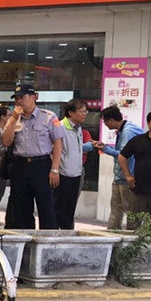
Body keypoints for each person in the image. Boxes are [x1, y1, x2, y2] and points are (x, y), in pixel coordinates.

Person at [1, 83, 65, 229]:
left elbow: (58, 143)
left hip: (41, 164)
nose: (19, 101)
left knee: (46, 206)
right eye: (16, 98)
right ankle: (25, 242)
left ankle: (48, 242)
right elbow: (6, 141)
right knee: (21, 207)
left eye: (22, 97)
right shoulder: (13, 119)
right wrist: (13, 119)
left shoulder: (48, 117)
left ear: (33, 97)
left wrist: (55, 168)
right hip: (20, 165)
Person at [100, 105, 144, 230]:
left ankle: (132, 240)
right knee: (116, 209)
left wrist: (105, 149)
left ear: (112, 120)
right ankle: (112, 237)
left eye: (105, 121)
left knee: (131, 211)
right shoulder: (123, 130)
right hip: (120, 177)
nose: (105, 124)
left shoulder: (128, 131)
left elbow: (124, 155)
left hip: (128, 177)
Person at [54, 98, 94, 230]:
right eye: (81, 111)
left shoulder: (79, 128)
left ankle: (67, 233)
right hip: (63, 173)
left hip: (76, 173)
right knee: (59, 207)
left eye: (85, 111)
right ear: (71, 113)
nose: (85, 114)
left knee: (70, 208)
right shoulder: (60, 127)